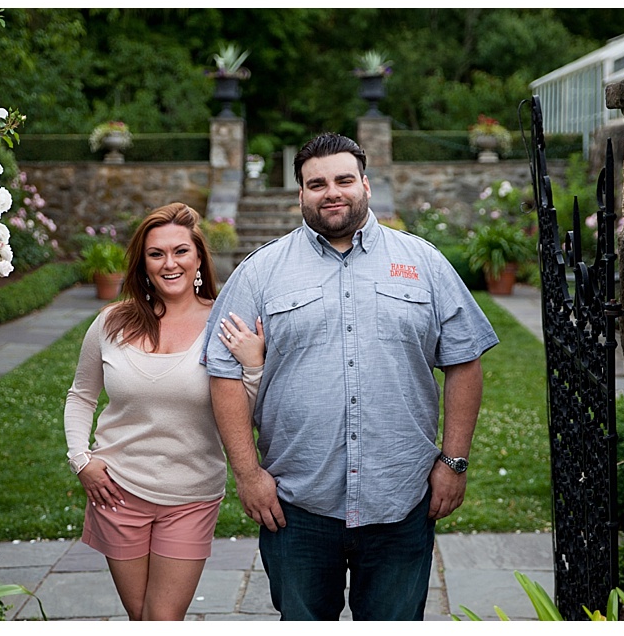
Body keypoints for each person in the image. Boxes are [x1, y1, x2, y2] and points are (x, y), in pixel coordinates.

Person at [203, 133, 499, 621]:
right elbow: (223, 373)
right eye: (316, 183)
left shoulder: (423, 262)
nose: (331, 192)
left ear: (365, 183)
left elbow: (464, 360)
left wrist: (455, 461)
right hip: (297, 506)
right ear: (300, 194)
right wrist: (248, 474)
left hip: (400, 501)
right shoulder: (260, 273)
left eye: (343, 179)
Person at [64, 202, 265, 621]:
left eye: (180, 251)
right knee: (141, 617)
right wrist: (81, 460)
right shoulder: (111, 323)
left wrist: (254, 365)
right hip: (116, 490)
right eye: (157, 254)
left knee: (163, 619)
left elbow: (247, 412)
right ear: (143, 263)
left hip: (190, 495)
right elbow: (81, 395)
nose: (169, 263)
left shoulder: (225, 325)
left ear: (198, 259)